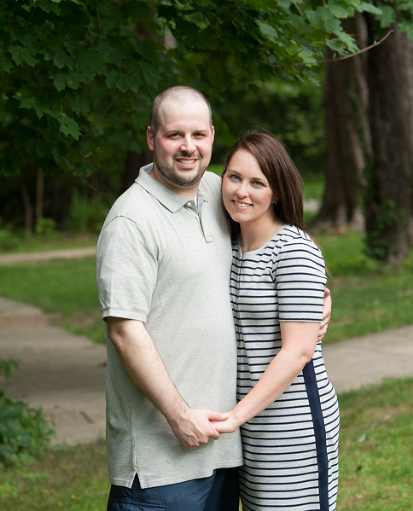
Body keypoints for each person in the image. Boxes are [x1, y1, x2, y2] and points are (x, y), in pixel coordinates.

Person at [96, 86, 331, 510]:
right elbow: (125, 333)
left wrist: (316, 306)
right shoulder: (131, 220)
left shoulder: (217, 193)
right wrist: (179, 416)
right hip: (163, 457)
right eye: (174, 135)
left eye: (199, 135)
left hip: (225, 450)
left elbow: (281, 255)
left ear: (211, 136)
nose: (188, 147)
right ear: (152, 138)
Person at [212, 131, 340, 511]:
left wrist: (235, 416)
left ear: (278, 192)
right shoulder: (230, 247)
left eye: (257, 182)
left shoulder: (293, 249)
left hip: (293, 422)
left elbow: (298, 350)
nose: (241, 191)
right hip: (251, 422)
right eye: (234, 177)